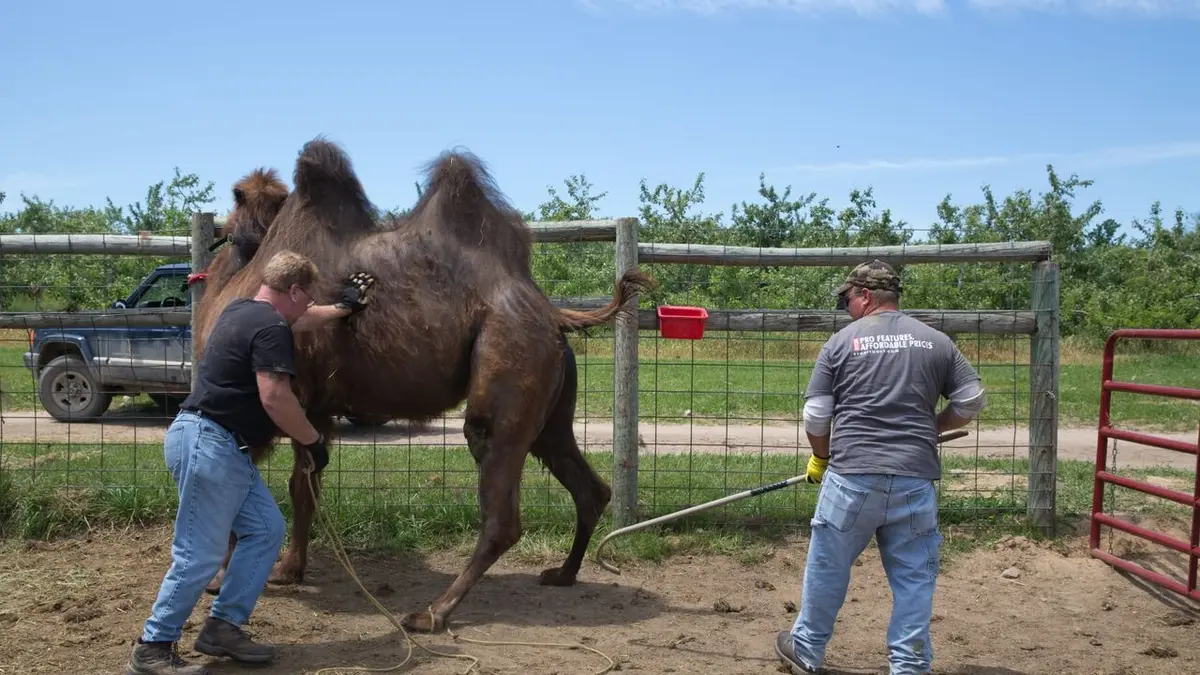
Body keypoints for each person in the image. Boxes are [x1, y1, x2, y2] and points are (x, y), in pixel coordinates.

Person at [124, 250, 377, 675]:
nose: (307, 306)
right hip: (211, 445)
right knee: (200, 555)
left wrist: (343, 309)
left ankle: (223, 627)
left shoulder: (242, 312)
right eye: (306, 297)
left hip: (212, 442)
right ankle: (153, 645)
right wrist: (312, 441)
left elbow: (302, 317)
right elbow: (275, 396)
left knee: (264, 530)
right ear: (293, 290)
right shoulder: (271, 328)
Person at [775, 259, 986, 675]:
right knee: (914, 578)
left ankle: (807, 649)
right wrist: (932, 429)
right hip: (914, 480)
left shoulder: (840, 343)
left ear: (865, 296)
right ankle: (909, 665)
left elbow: (816, 415)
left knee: (828, 565)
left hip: (852, 477)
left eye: (847, 298)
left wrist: (821, 456)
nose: (845, 307)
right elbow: (973, 399)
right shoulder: (937, 342)